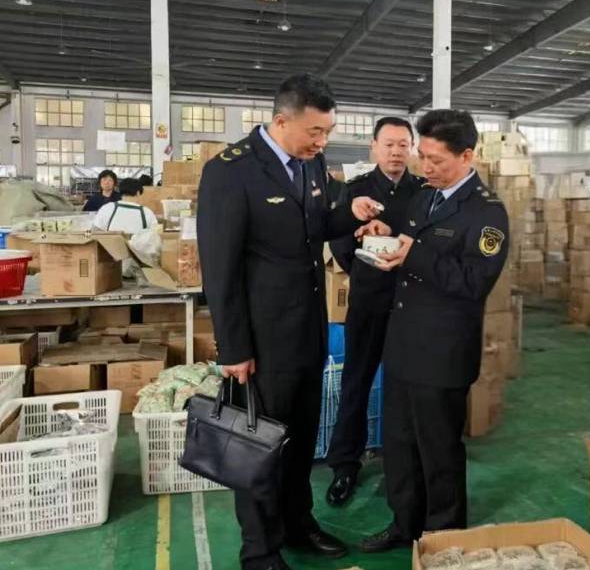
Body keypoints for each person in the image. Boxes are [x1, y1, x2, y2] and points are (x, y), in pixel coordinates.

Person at [196, 73, 383, 570]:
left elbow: (316, 226)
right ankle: (260, 550)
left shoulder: (311, 163)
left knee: (300, 439)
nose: (322, 142)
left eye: (328, 132)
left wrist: (352, 213)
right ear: (282, 121)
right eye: (315, 132)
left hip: (308, 333)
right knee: (259, 446)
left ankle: (298, 524)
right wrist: (234, 348)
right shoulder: (230, 171)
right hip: (262, 342)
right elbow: (219, 269)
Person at [357, 109, 510, 552]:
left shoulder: (486, 213)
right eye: (421, 156)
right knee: (399, 444)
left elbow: (475, 282)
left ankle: (444, 536)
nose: (425, 167)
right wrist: (385, 236)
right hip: (404, 343)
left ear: (467, 156)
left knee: (438, 450)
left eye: (436, 160)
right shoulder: (425, 197)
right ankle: (404, 523)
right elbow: (409, 241)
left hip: (443, 352)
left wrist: (414, 255)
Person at [325, 117, 424, 506]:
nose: (396, 152)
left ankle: (407, 463)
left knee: (408, 386)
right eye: (389, 144)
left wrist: (393, 239)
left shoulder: (423, 192)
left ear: (412, 148)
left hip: (411, 304)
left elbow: (427, 240)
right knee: (356, 382)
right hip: (368, 301)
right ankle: (344, 465)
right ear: (374, 147)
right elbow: (338, 242)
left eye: (403, 145)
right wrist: (362, 255)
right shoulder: (356, 190)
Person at [93, 177, 157, 233]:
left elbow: (95, 230)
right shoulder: (147, 212)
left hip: (110, 243)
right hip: (137, 243)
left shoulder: (107, 208)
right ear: (138, 193)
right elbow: (154, 234)